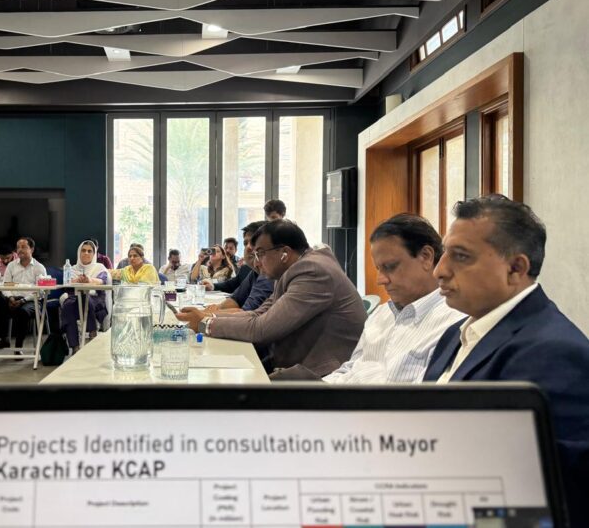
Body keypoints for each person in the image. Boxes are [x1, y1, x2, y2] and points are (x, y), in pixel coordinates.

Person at [421, 195, 589, 526]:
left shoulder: (551, 351)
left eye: (461, 256)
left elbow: (548, 489)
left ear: (515, 269)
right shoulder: (457, 332)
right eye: (443, 254)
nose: (440, 270)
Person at [190, 220, 366, 379]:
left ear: (284, 253)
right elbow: (258, 313)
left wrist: (205, 324)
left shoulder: (313, 272)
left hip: (323, 377)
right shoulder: (292, 272)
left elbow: (262, 329)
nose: (256, 263)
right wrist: (206, 317)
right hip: (298, 365)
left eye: (260, 253)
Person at [323, 214, 464, 383]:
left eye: (390, 267)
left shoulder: (454, 323)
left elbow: (423, 395)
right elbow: (350, 369)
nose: (380, 280)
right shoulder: (381, 314)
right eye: (378, 269)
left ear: (426, 257)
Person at [177, 221, 273, 324]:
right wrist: (212, 309)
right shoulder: (254, 272)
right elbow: (236, 299)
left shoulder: (268, 274)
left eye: (254, 243)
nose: (249, 247)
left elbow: (247, 314)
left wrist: (205, 316)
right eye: (245, 243)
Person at [0, 237, 47, 349]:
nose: (20, 250)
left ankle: (18, 346)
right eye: (18, 247)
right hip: (13, 299)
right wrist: (10, 297)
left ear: (32, 249)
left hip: (31, 300)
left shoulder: (39, 267)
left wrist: (23, 300)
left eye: (23, 247)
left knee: (23, 312)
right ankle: (4, 339)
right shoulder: (11, 266)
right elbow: (6, 284)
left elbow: (41, 291)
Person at [60, 240, 109, 352]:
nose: (86, 253)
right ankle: (75, 347)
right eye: (83, 250)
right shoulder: (72, 268)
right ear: (79, 252)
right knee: (67, 306)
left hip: (95, 298)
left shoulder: (99, 267)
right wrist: (78, 280)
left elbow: (102, 280)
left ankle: (92, 333)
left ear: (94, 254)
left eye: (89, 251)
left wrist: (89, 280)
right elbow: (67, 283)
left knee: (85, 299)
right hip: (74, 299)